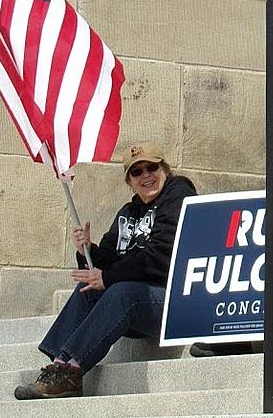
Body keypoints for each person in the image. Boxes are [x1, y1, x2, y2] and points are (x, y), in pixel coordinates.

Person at [15, 142, 196, 400]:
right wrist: (87, 250)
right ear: (129, 181)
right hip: (135, 304)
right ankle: (58, 364)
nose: (146, 176)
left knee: (123, 290)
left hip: (174, 303)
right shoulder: (128, 213)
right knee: (89, 288)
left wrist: (108, 277)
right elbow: (107, 263)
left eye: (152, 167)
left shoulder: (178, 195)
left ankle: (73, 369)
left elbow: (161, 257)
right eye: (137, 172)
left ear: (165, 169)